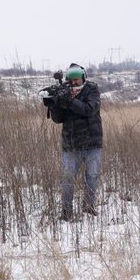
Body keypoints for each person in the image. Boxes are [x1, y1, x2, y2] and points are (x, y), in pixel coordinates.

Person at [48, 63, 103, 221]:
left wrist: (70, 101)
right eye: (71, 80)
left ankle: (89, 207)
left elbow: (89, 109)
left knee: (92, 176)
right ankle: (66, 211)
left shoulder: (92, 89)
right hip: (71, 145)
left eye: (77, 80)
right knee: (67, 178)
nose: (74, 83)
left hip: (93, 142)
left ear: (83, 78)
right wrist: (55, 103)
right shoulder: (64, 91)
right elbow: (58, 119)